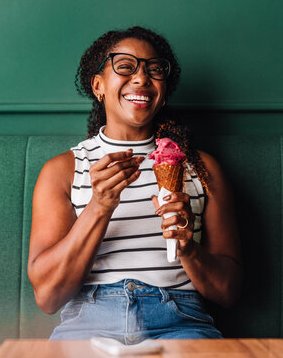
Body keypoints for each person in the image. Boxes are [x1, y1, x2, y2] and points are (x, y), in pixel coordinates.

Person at [27, 26, 242, 343]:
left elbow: (228, 291)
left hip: (181, 323)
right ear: (98, 85)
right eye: (125, 67)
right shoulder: (63, 171)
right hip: (87, 324)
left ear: (164, 90)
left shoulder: (201, 168)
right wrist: (99, 208)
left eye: (155, 70)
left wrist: (187, 248)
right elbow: (48, 297)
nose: (142, 78)